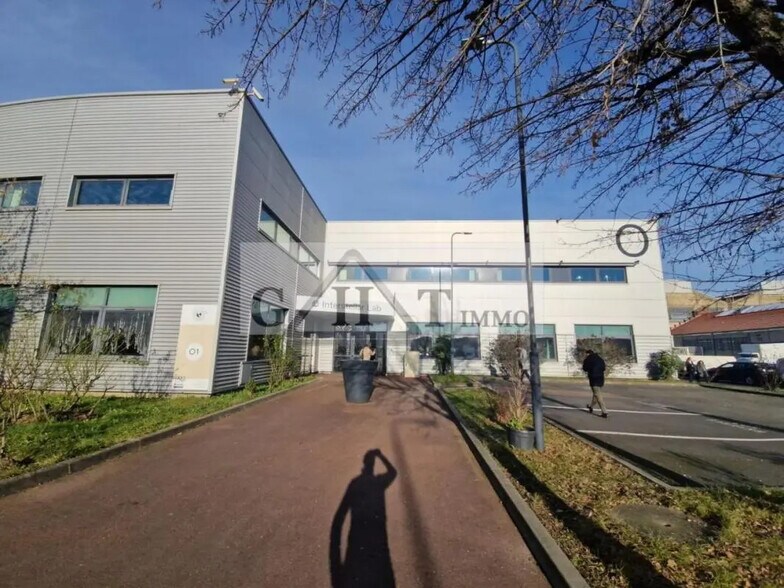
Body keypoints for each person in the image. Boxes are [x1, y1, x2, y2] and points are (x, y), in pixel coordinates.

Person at [582, 349, 608, 418]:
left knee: (598, 395)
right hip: (601, 378)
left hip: (593, 378)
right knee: (596, 393)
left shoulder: (588, 359)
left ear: (587, 354)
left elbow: (585, 368)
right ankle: (591, 407)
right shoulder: (600, 359)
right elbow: (604, 368)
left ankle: (604, 412)